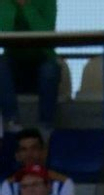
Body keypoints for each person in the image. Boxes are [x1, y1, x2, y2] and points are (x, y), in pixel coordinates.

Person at [0, 0, 61, 129]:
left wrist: (26, 6)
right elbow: (5, 30)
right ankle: (12, 122)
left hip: (42, 65)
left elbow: (46, 31)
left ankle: (45, 127)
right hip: (14, 71)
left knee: (50, 69)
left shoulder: (48, 2)